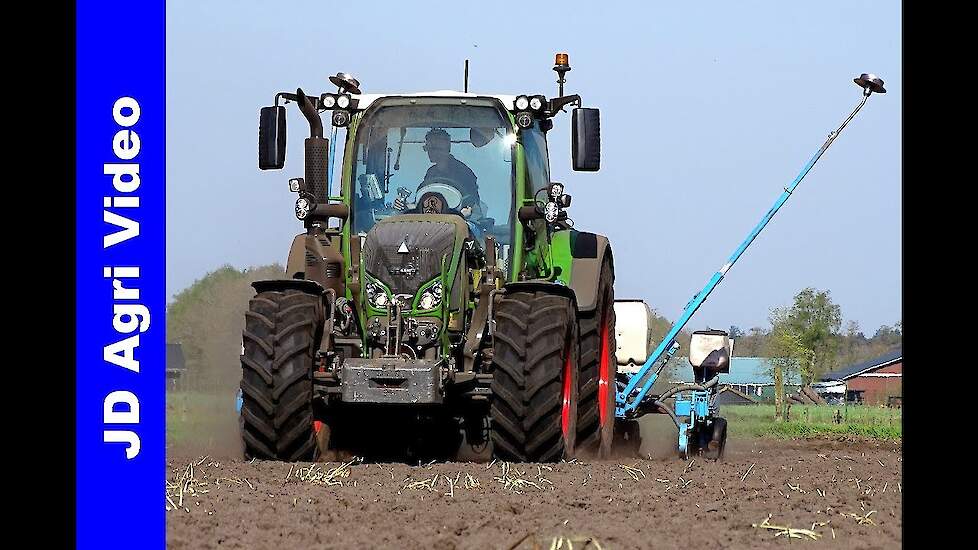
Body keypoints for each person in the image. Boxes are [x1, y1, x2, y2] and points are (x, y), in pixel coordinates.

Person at [394, 128, 481, 214]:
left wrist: (464, 212)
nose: (430, 152)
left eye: (435, 148)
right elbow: (425, 201)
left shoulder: (464, 172)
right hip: (432, 222)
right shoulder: (431, 173)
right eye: (428, 148)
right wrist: (406, 206)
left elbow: (472, 204)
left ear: (447, 148)